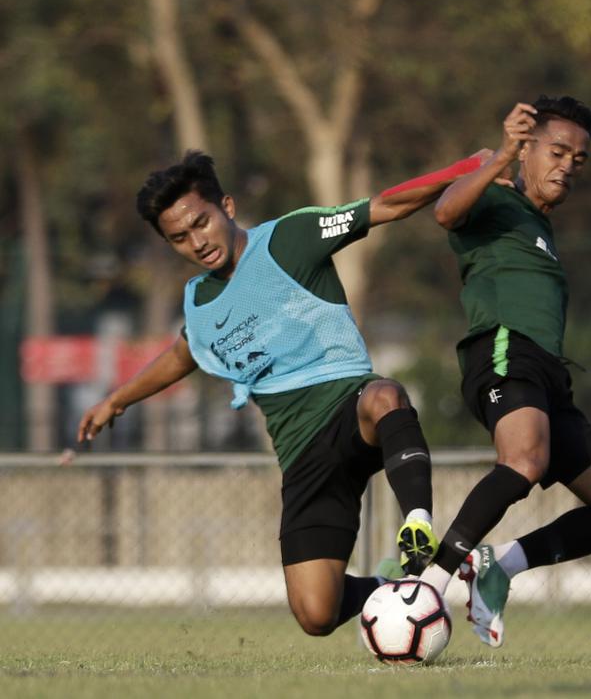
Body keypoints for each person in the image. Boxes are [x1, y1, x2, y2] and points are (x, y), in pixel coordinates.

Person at [76, 149, 487, 637]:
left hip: (351, 411)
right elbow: (183, 355)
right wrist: (116, 399)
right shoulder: (201, 302)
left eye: (201, 223)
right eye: (179, 238)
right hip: (300, 456)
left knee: (384, 396)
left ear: (226, 206)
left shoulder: (291, 237)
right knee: (316, 613)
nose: (196, 242)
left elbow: (387, 205)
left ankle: (417, 525)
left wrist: (466, 169)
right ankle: (415, 584)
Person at [414, 95, 591, 648]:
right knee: (522, 459)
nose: (567, 165)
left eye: (579, 159)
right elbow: (446, 212)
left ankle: (498, 566)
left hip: (549, 376)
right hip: (503, 350)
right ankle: (431, 581)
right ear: (527, 151)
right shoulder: (498, 197)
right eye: (557, 151)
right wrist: (499, 157)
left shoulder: (541, 228)